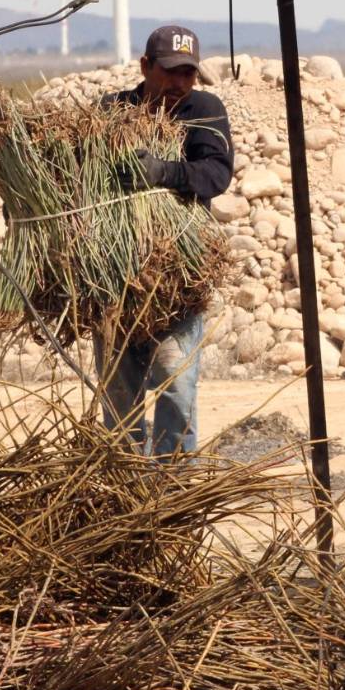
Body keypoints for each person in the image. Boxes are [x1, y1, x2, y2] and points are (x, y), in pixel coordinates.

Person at [100, 24, 234, 457]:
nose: (179, 83)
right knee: (119, 395)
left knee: (176, 385)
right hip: (114, 278)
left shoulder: (204, 109)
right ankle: (127, 485)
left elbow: (216, 175)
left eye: (188, 74)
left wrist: (164, 173)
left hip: (178, 275)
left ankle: (176, 487)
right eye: (170, 71)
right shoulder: (112, 110)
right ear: (145, 66)